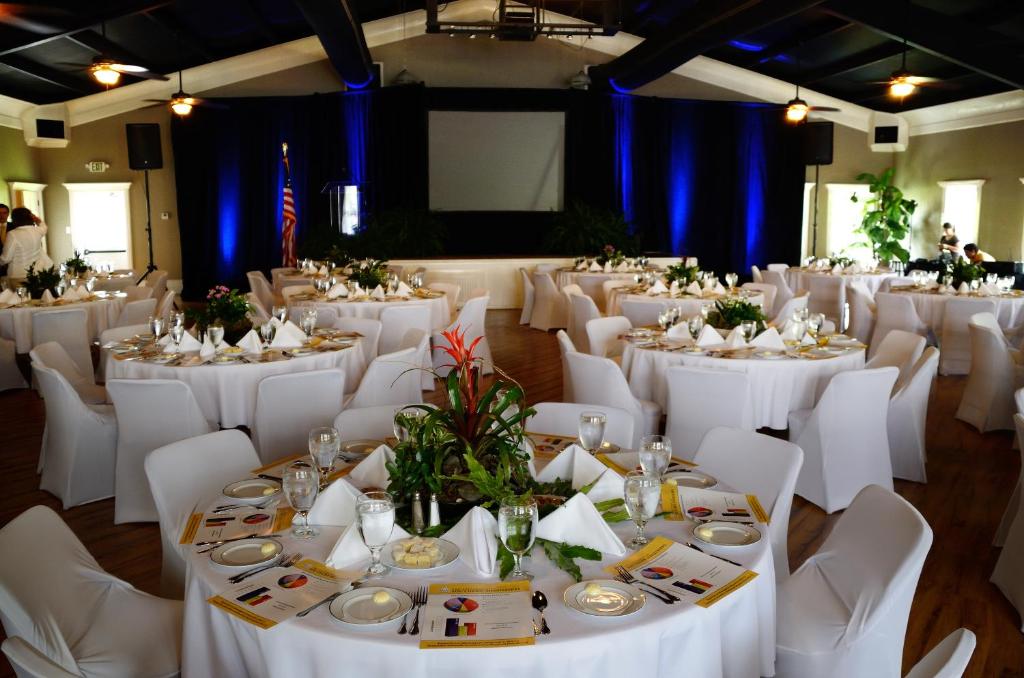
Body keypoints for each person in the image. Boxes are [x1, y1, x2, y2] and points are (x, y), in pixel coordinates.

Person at [0, 207, 52, 281]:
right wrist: (37, 219)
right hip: (36, 273)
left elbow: (6, 258)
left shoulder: (13, 234)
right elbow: (44, 227)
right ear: (30, 217)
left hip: (18, 275)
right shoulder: (37, 231)